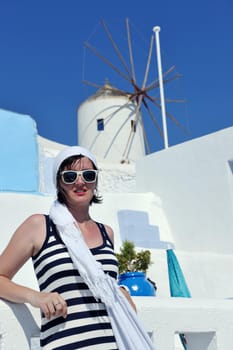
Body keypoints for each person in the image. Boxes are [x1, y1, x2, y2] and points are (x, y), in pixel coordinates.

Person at [0, 146, 138, 350]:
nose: (80, 182)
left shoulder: (106, 233)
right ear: (59, 182)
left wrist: (120, 292)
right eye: (70, 176)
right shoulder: (40, 226)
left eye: (88, 175)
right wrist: (36, 297)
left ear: (96, 181)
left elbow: (101, 287)